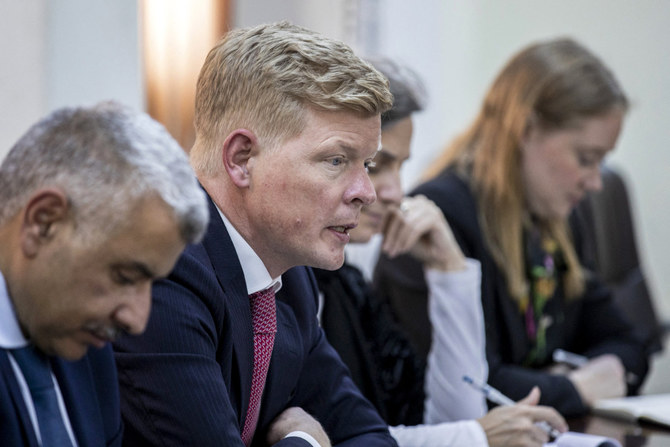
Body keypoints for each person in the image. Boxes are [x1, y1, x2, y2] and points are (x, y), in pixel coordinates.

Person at [112, 22, 397, 446]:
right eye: (337, 161)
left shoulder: (289, 276)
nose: (366, 194)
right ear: (242, 158)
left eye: (367, 165)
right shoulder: (163, 270)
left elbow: (369, 436)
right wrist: (303, 442)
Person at [374, 38, 650, 418]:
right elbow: (474, 388)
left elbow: (630, 342)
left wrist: (569, 382)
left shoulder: (559, 221)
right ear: (526, 129)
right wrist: (577, 386)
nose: (595, 182)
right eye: (586, 159)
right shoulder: (438, 219)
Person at [315, 58, 567, 447]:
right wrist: (474, 436)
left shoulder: (349, 285)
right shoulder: (296, 285)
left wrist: (449, 271)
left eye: (399, 168)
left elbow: (453, 414)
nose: (394, 192)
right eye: (374, 165)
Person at [0, 102, 209, 446]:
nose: (137, 320)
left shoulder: (88, 351)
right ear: (44, 222)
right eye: (125, 277)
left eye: (152, 284)